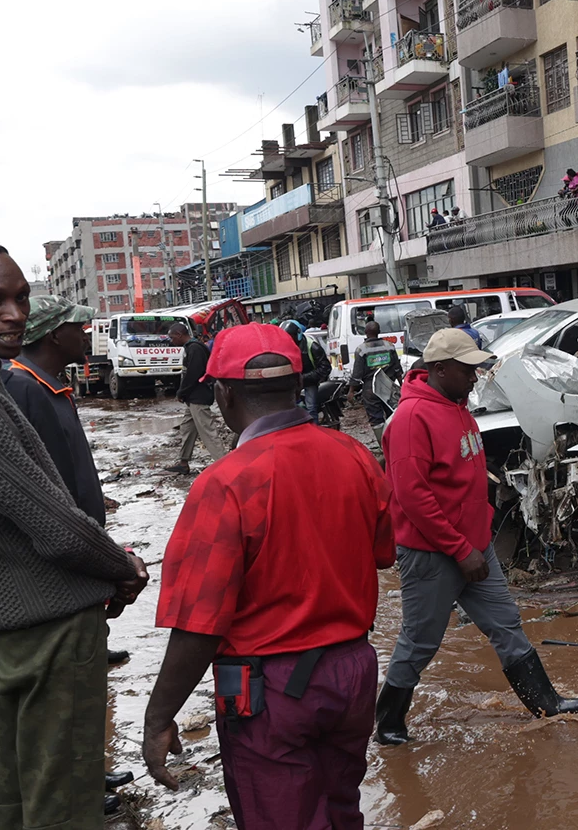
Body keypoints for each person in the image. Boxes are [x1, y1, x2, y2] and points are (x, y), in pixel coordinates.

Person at [0, 217, 148, 830]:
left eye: (20, 297)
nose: (16, 313)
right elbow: (53, 526)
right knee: (63, 807)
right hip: (47, 632)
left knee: (21, 798)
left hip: (9, 629)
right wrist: (122, 568)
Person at [143, 323, 394, 829]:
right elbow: (382, 554)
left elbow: (198, 623)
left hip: (268, 689)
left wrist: (158, 716)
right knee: (342, 810)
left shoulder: (225, 484)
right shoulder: (355, 457)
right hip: (352, 672)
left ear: (223, 393)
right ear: (296, 382)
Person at [374, 329, 578, 745]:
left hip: (472, 545)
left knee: (506, 623)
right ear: (439, 369)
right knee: (420, 640)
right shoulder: (411, 419)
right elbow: (412, 497)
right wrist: (460, 550)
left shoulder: (456, 404)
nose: (476, 377)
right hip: (433, 553)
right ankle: (388, 724)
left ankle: (547, 704)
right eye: (467, 370)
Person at [4, 296, 135, 672]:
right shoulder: (22, 387)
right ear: (54, 335)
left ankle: (93, 642)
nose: (85, 334)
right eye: (78, 327)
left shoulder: (49, 384)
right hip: (62, 543)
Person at [165, 321, 227, 475]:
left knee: (207, 431)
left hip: (198, 396)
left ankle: (225, 464)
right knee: (187, 428)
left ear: (180, 335)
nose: (172, 341)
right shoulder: (192, 348)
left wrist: (181, 392)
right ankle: (183, 462)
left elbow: (193, 375)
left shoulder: (195, 349)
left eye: (173, 338)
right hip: (192, 397)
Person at [353, 320, 402, 450]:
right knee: (393, 414)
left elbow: (357, 374)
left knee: (376, 419)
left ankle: (385, 448)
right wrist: (402, 386)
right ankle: (397, 443)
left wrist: (351, 391)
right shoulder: (389, 346)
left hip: (370, 389)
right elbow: (397, 369)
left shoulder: (361, 349)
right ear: (379, 331)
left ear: (366, 332)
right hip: (388, 385)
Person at [282, 320, 327, 421]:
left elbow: (325, 367)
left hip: (309, 381)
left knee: (311, 408)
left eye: (290, 336)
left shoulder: (312, 346)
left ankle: (315, 432)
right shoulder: (284, 348)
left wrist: (305, 377)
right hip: (293, 382)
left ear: (297, 334)